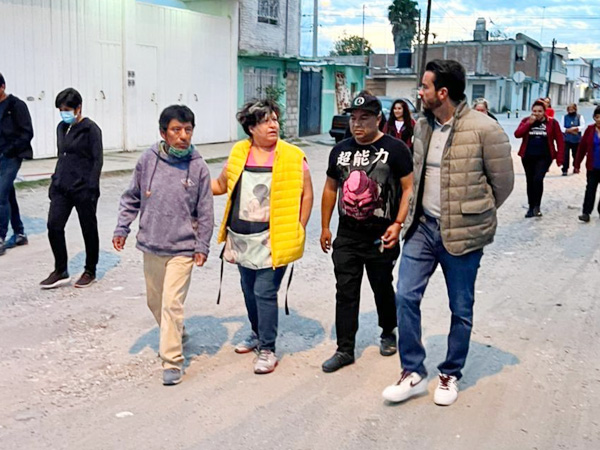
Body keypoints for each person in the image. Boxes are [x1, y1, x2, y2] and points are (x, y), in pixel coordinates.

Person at [381, 60, 513, 406]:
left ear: (442, 92)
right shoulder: (423, 126)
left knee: (461, 307)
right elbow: (416, 176)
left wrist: (472, 214)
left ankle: (451, 372)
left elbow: (503, 185)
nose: (419, 93)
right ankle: (413, 371)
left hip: (463, 234)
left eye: (424, 87)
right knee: (405, 296)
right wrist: (403, 220)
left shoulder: (485, 129)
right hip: (423, 228)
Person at [113, 105, 213, 386]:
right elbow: (132, 196)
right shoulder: (148, 160)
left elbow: (206, 211)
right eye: (176, 130)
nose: (183, 136)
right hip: (152, 243)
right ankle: (176, 331)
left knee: (171, 303)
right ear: (163, 133)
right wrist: (122, 227)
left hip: (183, 248)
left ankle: (172, 361)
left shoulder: (198, 167)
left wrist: (202, 245)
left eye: (188, 130)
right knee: (155, 301)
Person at [212, 99, 313, 375]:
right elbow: (221, 185)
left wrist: (300, 228)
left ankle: (268, 349)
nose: (273, 125)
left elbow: (307, 194)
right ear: (251, 128)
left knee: (264, 291)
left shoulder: (292, 156)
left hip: (275, 238)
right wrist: (189, 184)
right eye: (265, 121)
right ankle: (257, 333)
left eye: (275, 120)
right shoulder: (239, 152)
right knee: (248, 289)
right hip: (242, 237)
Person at [320, 92, 414, 373]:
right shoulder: (340, 150)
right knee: (345, 291)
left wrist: (398, 223)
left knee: (381, 285)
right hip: (347, 236)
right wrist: (325, 226)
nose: (357, 124)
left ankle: (388, 330)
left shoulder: (395, 149)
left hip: (381, 235)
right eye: (353, 118)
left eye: (364, 118)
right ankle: (344, 349)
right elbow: (330, 188)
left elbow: (408, 188)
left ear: (378, 119)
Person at [39, 88, 103, 289]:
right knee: (54, 226)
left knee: (88, 228)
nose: (63, 113)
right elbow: (62, 156)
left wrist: (91, 188)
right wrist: (54, 182)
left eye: (67, 110)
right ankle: (60, 269)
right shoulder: (61, 128)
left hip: (83, 188)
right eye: (61, 110)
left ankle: (90, 270)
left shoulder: (91, 129)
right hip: (62, 187)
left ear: (78, 108)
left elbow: (97, 160)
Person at [0, 72, 33, 256]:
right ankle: (19, 233)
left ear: (3, 87)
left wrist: (10, 150)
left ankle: (0, 237)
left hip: (12, 156)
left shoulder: (16, 106)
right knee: (7, 193)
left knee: (0, 194)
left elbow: (27, 132)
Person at [514, 99, 564, 218]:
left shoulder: (552, 123)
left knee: (538, 179)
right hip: (528, 156)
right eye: (535, 111)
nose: (537, 113)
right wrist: (528, 124)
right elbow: (517, 134)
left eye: (540, 111)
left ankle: (537, 206)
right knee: (530, 181)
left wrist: (560, 158)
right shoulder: (526, 120)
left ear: (545, 112)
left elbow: (560, 140)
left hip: (544, 156)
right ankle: (531, 207)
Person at [573, 106, 600, 223]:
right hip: (592, 166)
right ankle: (586, 213)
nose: (599, 119)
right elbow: (582, 147)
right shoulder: (590, 130)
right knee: (590, 189)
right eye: (597, 117)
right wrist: (577, 164)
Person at [561, 103, 585, 176]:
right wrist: (568, 130)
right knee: (565, 155)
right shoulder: (564, 117)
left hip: (576, 139)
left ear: (575, 109)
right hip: (566, 139)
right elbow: (561, 127)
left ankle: (576, 167)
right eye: (569, 109)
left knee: (576, 155)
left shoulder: (579, 117)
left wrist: (576, 128)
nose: (571, 111)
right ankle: (565, 169)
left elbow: (582, 126)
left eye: (572, 109)